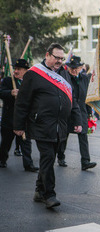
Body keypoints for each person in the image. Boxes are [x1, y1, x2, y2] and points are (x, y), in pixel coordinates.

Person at [13, 43, 82, 209]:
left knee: (48, 159)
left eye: (61, 58)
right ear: (47, 55)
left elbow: (72, 101)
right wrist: (18, 125)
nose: (59, 61)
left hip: (61, 126)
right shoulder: (34, 74)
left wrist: (78, 121)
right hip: (41, 125)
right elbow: (23, 101)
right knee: (48, 158)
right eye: (56, 57)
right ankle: (49, 195)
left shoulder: (63, 73)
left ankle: (39, 190)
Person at [57, 56, 97, 170]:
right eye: (72, 68)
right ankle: (60, 156)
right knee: (64, 136)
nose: (74, 70)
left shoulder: (85, 78)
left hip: (82, 112)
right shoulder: (65, 78)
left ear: (81, 68)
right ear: (68, 68)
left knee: (83, 136)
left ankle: (85, 162)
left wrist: (90, 113)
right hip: (68, 111)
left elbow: (87, 97)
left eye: (77, 68)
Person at [0, 59, 38, 172]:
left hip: (23, 119)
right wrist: (11, 93)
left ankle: (28, 164)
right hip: (9, 118)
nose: (16, 71)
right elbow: (1, 92)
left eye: (19, 69)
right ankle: (2, 160)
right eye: (15, 69)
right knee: (6, 143)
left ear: (26, 71)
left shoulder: (30, 82)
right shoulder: (8, 81)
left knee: (26, 143)